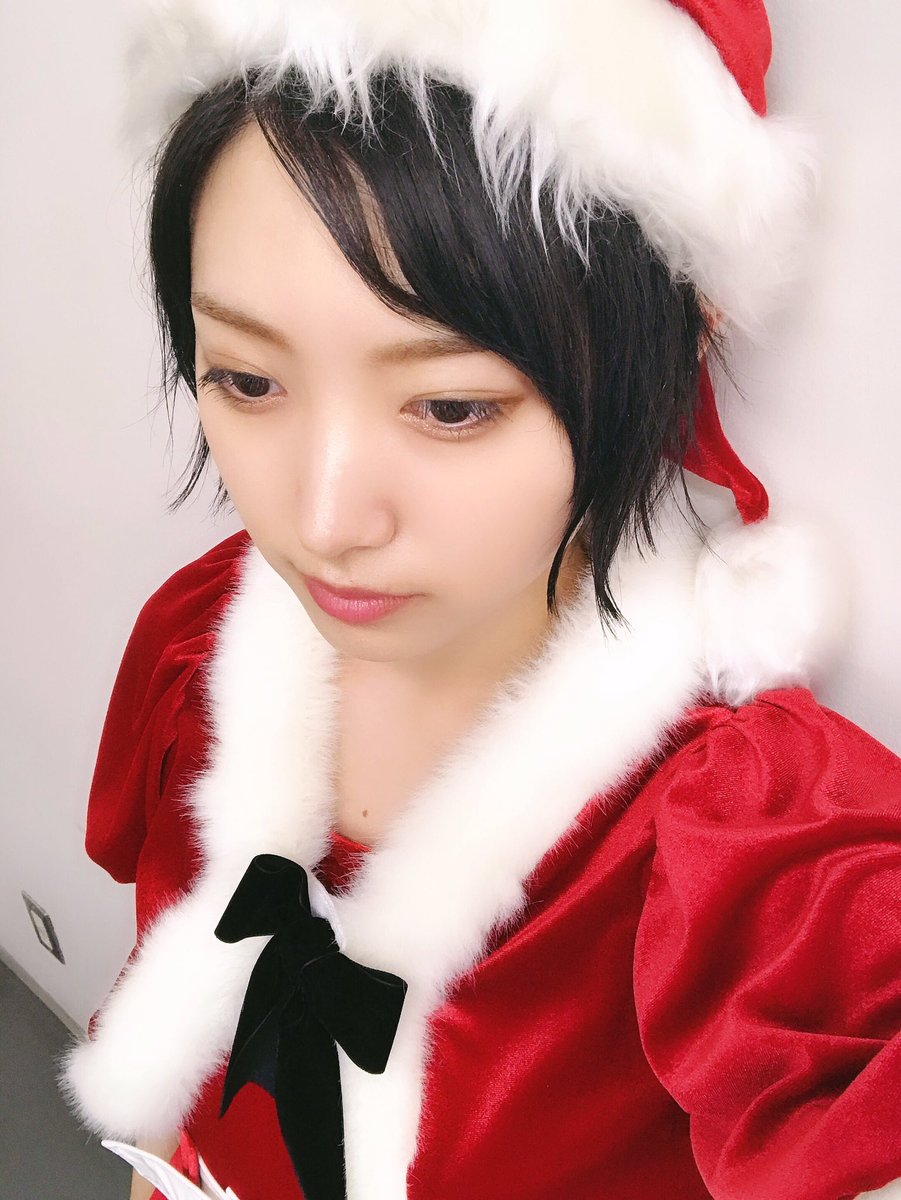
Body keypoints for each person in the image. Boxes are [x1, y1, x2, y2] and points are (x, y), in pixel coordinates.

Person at [58, 1, 901, 1198]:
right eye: (246, 380)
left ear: (677, 343)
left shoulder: (740, 836)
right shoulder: (199, 641)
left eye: (451, 406)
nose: (322, 522)